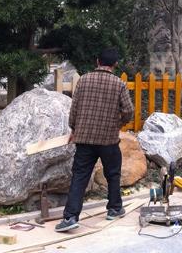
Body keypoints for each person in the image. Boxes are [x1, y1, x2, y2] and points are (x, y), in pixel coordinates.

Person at [55, 48, 134, 232]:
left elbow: (74, 109)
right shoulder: (119, 84)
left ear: (97, 61)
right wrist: (118, 124)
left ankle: (70, 217)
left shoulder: (83, 80)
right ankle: (114, 208)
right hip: (108, 139)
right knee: (113, 174)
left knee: (80, 176)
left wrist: (74, 129)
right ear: (115, 64)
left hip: (84, 139)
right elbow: (129, 111)